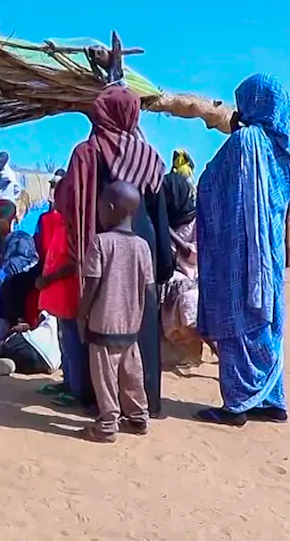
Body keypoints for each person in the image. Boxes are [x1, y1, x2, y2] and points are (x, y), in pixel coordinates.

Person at [60, 86, 174, 417]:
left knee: (101, 321)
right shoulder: (149, 156)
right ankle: (144, 405)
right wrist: (164, 262)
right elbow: (159, 213)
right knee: (140, 323)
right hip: (143, 245)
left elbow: (70, 204)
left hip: (102, 247)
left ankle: (102, 406)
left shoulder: (87, 152)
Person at [195, 74, 290, 427]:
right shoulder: (284, 147)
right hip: (268, 250)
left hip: (240, 249)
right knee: (267, 318)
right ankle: (272, 399)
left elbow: (211, 182)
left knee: (239, 317)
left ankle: (238, 402)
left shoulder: (246, 143)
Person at [76, 181, 155, 443]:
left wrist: (82, 314)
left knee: (105, 376)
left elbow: (92, 284)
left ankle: (107, 424)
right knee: (131, 373)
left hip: (103, 324)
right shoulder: (142, 246)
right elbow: (150, 288)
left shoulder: (100, 242)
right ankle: (138, 417)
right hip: (131, 325)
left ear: (109, 208)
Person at [34, 177, 86, 406]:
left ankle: (77, 390)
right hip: (58, 296)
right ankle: (68, 381)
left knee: (73, 342)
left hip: (68, 294)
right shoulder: (62, 223)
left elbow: (75, 263)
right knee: (64, 340)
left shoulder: (76, 227)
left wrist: (48, 279)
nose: (56, 199)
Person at [160, 162, 204, 366]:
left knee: (190, 298)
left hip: (196, 274)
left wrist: (167, 231)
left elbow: (192, 254)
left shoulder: (197, 221)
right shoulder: (163, 219)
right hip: (173, 275)